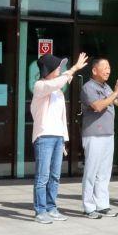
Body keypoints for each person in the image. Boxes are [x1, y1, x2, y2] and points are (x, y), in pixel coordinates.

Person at [31, 51, 89, 224]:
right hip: (44, 136)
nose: (59, 69)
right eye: (57, 67)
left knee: (55, 176)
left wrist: (64, 138)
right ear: (48, 69)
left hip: (57, 137)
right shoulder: (40, 86)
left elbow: (61, 116)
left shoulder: (57, 91)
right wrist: (74, 68)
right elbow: (60, 80)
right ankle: (40, 211)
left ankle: (51, 208)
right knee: (42, 176)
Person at [80, 58, 118, 218]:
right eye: (104, 67)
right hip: (94, 134)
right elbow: (98, 106)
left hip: (108, 134)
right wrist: (115, 93)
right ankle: (89, 207)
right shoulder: (88, 87)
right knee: (91, 172)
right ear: (94, 70)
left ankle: (102, 205)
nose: (108, 70)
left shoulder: (107, 87)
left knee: (104, 173)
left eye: (109, 67)